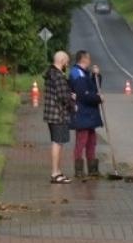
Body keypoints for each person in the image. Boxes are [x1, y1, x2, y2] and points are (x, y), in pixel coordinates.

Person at [68, 50, 104, 178]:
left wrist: (97, 76)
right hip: (82, 113)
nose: (90, 61)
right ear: (83, 59)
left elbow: (94, 88)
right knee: (81, 141)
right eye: (88, 58)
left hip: (89, 114)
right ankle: (79, 170)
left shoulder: (85, 73)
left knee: (92, 141)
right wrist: (98, 99)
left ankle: (92, 169)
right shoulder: (77, 74)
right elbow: (84, 95)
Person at [41, 50, 74, 184]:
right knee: (57, 143)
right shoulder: (59, 76)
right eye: (66, 62)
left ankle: (58, 171)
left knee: (58, 142)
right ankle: (55, 173)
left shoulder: (50, 74)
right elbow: (62, 96)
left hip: (51, 113)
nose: (67, 64)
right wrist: (72, 103)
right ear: (62, 61)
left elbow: (57, 93)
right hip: (58, 114)